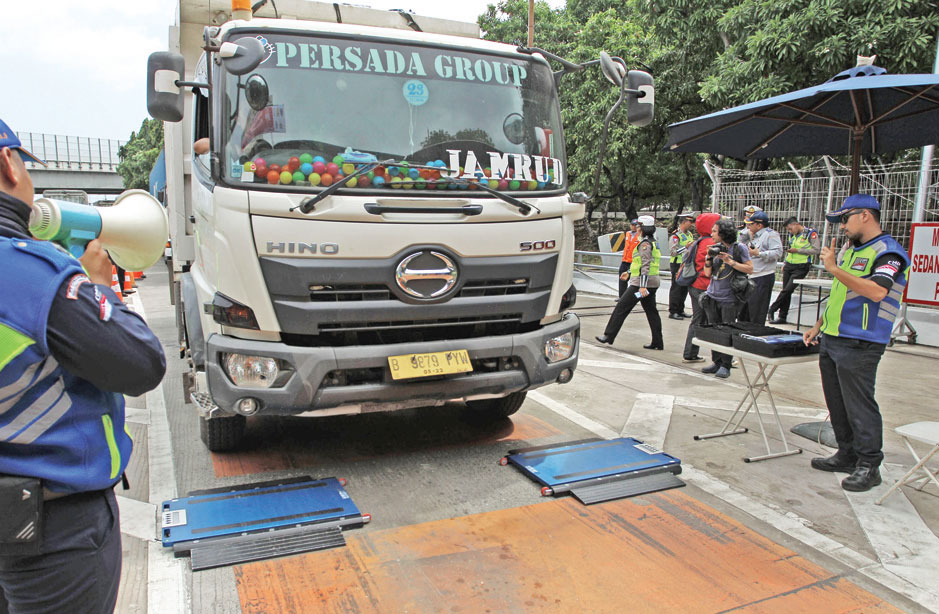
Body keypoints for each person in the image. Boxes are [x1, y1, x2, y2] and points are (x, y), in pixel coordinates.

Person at [0, 119, 166, 614]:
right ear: (8, 165)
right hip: (50, 535)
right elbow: (140, 364)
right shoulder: (30, 274)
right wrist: (98, 288)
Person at [803, 194, 909, 492]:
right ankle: (847, 453)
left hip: (861, 342)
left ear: (865, 215)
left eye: (845, 220)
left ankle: (869, 464)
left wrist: (834, 268)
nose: (841, 228)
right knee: (837, 402)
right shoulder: (851, 251)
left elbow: (877, 292)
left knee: (859, 405)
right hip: (834, 337)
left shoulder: (889, 253)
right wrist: (819, 324)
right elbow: (841, 295)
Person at [595, 215, 663, 350]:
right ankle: (658, 342)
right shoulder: (653, 242)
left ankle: (609, 335)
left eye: (638, 226)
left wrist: (642, 286)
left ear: (644, 228)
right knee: (651, 311)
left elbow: (645, 265)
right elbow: (641, 264)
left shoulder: (644, 244)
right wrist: (630, 273)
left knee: (622, 307)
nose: (637, 228)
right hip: (651, 283)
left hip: (641, 285)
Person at [698, 218, 753, 378]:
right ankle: (717, 361)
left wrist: (729, 261)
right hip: (712, 295)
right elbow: (708, 274)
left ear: (724, 233)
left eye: (715, 231)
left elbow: (750, 269)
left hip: (729, 298)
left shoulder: (739, 248)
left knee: (726, 331)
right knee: (714, 331)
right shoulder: (716, 248)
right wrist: (709, 258)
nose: (712, 234)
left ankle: (726, 364)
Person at [681, 212, 721, 363]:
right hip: (706, 287)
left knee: (698, 320)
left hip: (695, 285)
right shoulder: (710, 243)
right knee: (715, 322)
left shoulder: (698, 241)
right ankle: (721, 358)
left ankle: (690, 353)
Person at [768, 217, 820, 324]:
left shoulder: (810, 234)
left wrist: (798, 251)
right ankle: (782, 316)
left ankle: (772, 308)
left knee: (787, 290)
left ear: (796, 224)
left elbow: (816, 250)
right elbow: (790, 250)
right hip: (789, 265)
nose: (789, 231)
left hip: (801, 266)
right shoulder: (792, 235)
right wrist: (786, 263)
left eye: (790, 228)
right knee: (786, 291)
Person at [738, 210, 782, 324]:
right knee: (743, 312)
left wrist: (759, 254)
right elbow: (739, 245)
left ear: (759, 225)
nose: (748, 226)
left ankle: (754, 336)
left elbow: (778, 253)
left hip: (762, 277)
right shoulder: (751, 235)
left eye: (750, 224)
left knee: (756, 312)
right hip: (749, 276)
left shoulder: (770, 235)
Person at [667, 213, 695, 320]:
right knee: (676, 288)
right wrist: (685, 247)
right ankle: (673, 311)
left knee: (684, 288)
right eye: (690, 222)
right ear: (683, 222)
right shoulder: (675, 236)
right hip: (677, 264)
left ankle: (680, 309)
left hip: (686, 264)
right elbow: (673, 252)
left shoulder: (690, 235)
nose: (691, 224)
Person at [618, 219, 642, 296]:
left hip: (633, 261)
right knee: (622, 279)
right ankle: (621, 296)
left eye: (635, 225)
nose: (634, 227)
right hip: (625, 260)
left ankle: (634, 297)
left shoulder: (640, 236)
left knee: (634, 281)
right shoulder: (628, 234)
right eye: (632, 225)